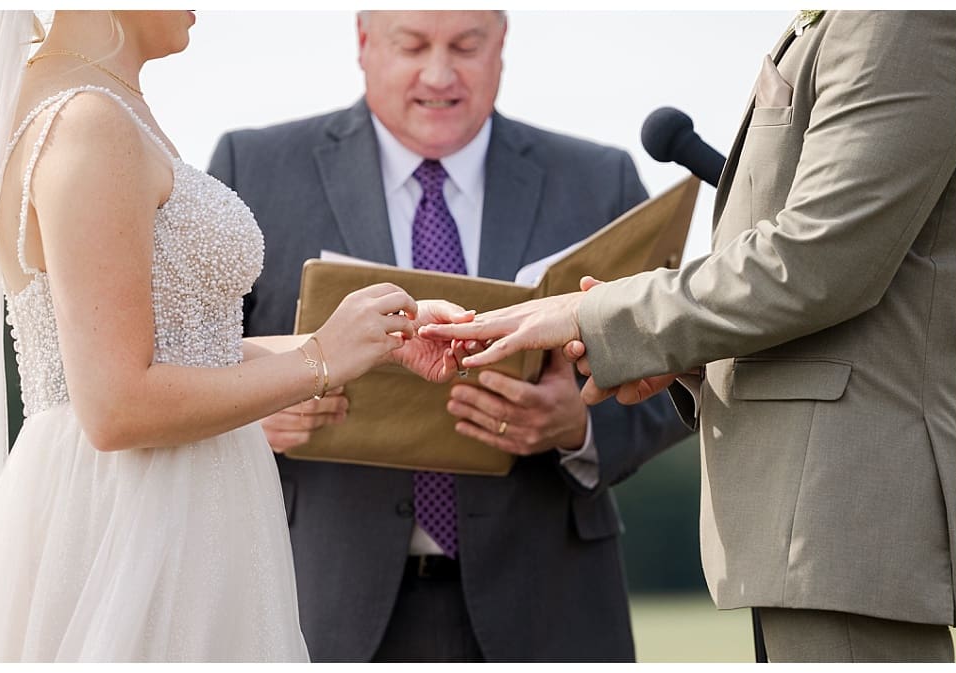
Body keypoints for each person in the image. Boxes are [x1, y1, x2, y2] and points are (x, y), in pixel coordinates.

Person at [421, 10, 956, 663]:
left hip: (843, 512)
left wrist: (596, 318)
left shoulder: (898, 19)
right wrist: (685, 358)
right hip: (803, 523)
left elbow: (821, 261)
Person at [0, 10, 472, 662]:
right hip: (136, 527)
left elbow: (184, 351)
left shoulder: (103, 105)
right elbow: (115, 405)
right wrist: (321, 359)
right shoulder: (87, 120)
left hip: (180, 510)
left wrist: (371, 340)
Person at [208, 10, 690, 663]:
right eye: (414, 45)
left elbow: (676, 384)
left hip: (551, 605)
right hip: (318, 603)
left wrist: (577, 426)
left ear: (501, 46)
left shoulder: (600, 180)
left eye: (466, 45)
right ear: (364, 44)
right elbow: (189, 372)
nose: (440, 74)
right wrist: (256, 416)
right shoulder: (254, 168)